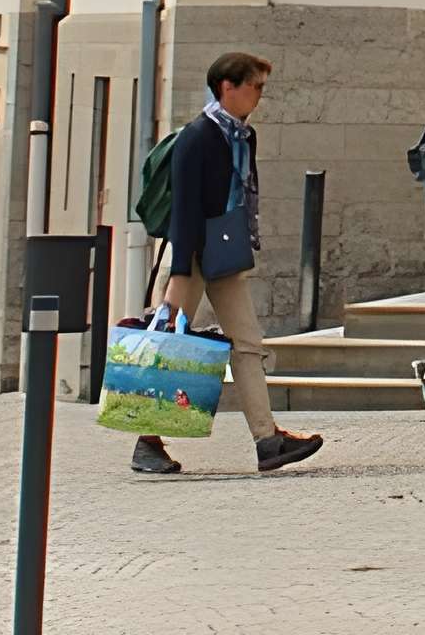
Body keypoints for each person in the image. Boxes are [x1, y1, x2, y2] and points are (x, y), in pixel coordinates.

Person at [132, 50, 325, 479]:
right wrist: (180, 269)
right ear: (227, 87)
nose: (260, 95)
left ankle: (267, 440)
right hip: (192, 256)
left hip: (223, 250)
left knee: (248, 343)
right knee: (171, 348)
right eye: (254, 86)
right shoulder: (197, 137)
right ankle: (147, 441)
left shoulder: (242, 136)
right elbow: (184, 208)